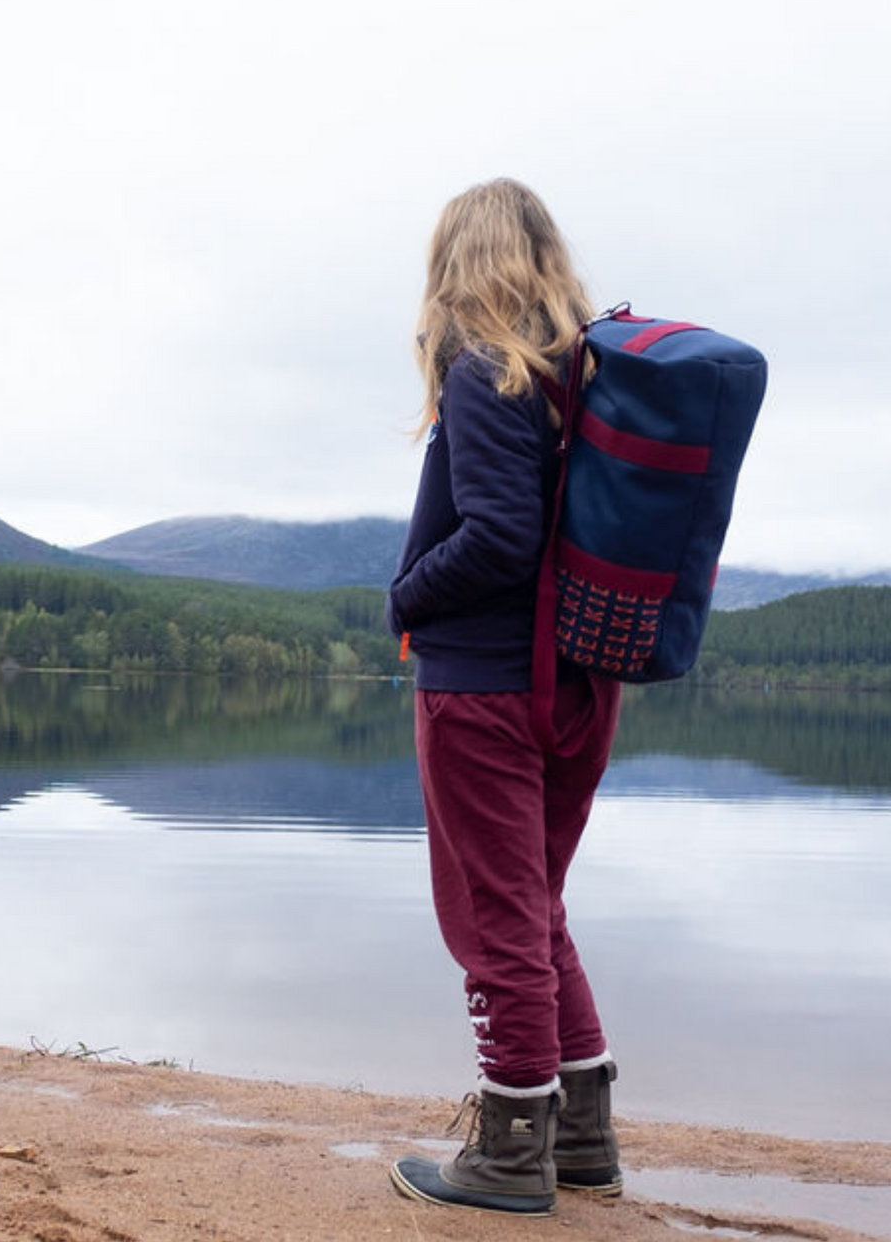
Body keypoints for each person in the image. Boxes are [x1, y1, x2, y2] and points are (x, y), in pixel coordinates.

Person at [386, 178, 623, 1216]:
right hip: (578, 685)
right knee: (535, 911)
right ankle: (582, 1137)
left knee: (496, 921)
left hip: (484, 688)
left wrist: (404, 595)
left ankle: (509, 1152)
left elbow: (496, 537)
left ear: (456, 262)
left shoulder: (485, 369)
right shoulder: (585, 378)